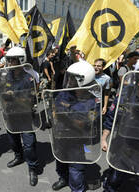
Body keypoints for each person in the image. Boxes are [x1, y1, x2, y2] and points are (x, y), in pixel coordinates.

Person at [51, 60, 99, 192]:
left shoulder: (92, 100)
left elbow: (83, 124)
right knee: (60, 160)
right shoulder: (66, 93)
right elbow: (56, 107)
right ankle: (63, 179)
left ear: (83, 80)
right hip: (60, 135)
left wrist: (66, 115)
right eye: (69, 77)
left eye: (73, 78)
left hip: (77, 140)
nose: (70, 80)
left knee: (76, 169)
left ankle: (77, 189)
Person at [0, 47, 40, 186]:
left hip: (25, 115)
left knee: (29, 145)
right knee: (13, 140)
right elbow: (1, 91)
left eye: (12, 60)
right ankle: (18, 156)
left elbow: (33, 98)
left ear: (21, 60)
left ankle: (32, 168)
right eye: (8, 60)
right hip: (10, 114)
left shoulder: (30, 76)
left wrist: (14, 96)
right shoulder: (5, 75)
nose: (9, 63)